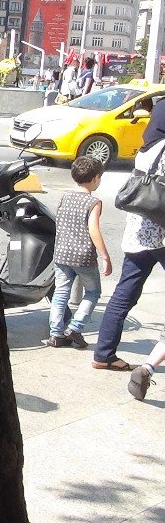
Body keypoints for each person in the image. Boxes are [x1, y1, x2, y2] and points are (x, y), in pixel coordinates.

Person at [92, 99, 165, 371]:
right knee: (125, 292)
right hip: (161, 233)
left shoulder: (147, 149)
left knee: (125, 292)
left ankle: (103, 353)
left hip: (138, 232)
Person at [44, 156, 111, 349]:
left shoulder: (65, 197)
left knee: (60, 293)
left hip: (62, 254)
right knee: (93, 291)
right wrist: (105, 256)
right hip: (83, 257)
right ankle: (75, 326)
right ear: (96, 178)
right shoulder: (94, 202)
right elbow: (93, 230)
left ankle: (55, 335)